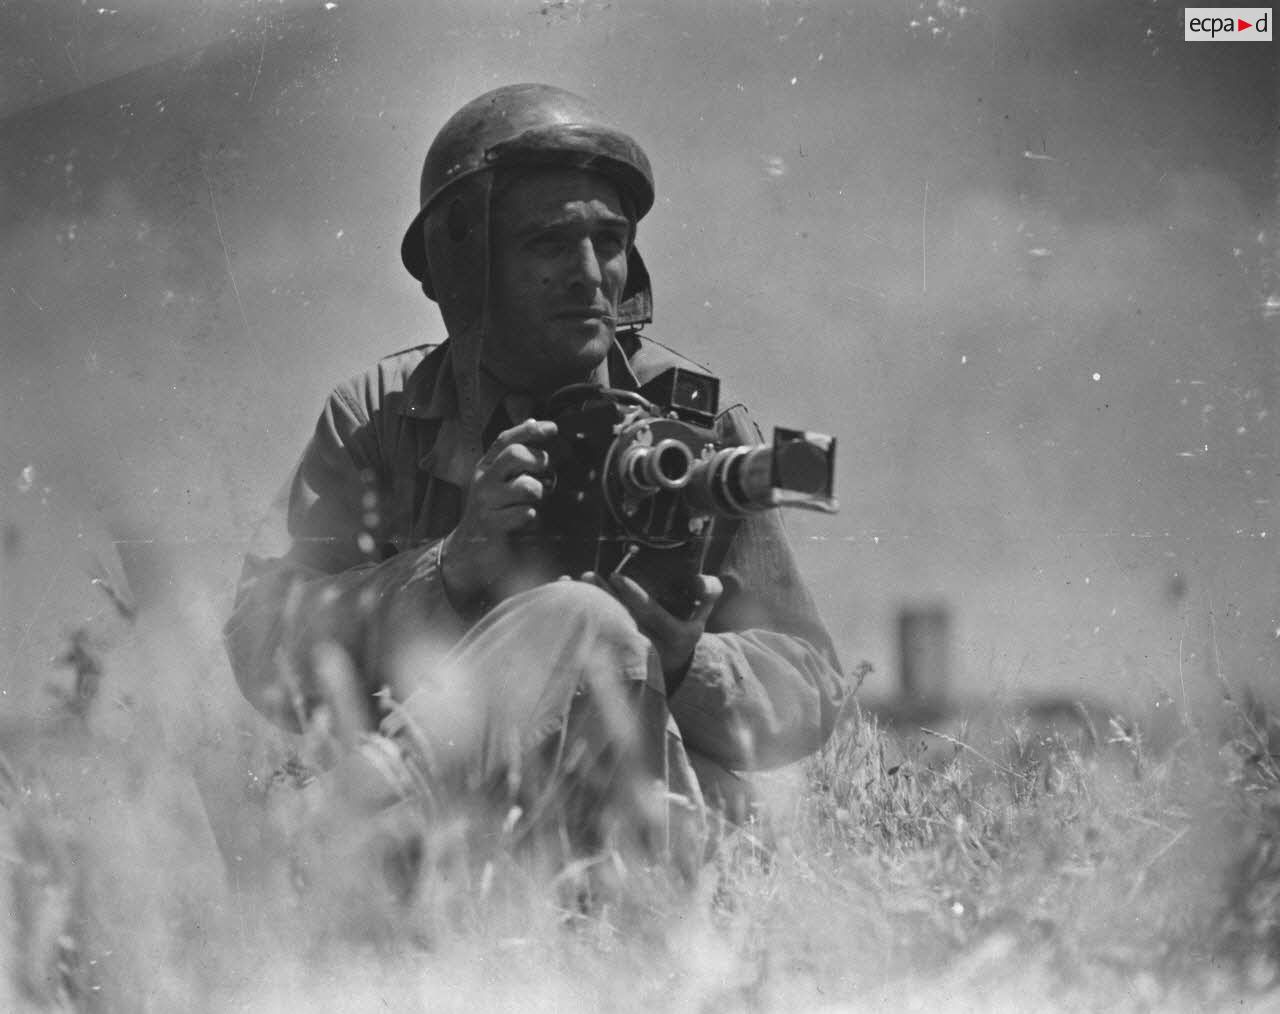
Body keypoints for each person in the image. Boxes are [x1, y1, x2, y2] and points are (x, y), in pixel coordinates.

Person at [224, 83, 847, 876]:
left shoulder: (689, 432)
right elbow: (260, 643)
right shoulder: (380, 420)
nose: (591, 274)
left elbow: (811, 684)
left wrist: (686, 662)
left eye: (611, 239)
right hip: (457, 814)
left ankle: (312, 848)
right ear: (468, 262)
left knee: (591, 625)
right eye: (549, 245)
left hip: (651, 807)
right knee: (582, 623)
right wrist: (445, 571)